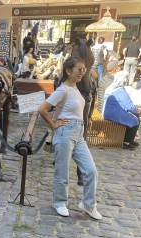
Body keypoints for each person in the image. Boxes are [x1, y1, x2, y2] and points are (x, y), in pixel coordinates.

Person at [38, 57, 102, 220]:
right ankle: (59, 202)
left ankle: (88, 204)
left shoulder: (75, 89)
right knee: (62, 171)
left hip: (79, 134)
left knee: (91, 170)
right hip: (65, 132)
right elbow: (43, 109)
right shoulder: (63, 90)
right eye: (79, 69)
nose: (82, 72)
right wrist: (53, 124)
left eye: (84, 69)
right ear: (68, 71)